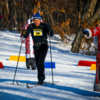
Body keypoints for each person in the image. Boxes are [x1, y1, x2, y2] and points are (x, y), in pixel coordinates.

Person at [22, 13, 54, 84]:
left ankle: (41, 78)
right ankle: (40, 78)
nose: (36, 22)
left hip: (43, 45)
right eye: (35, 20)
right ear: (33, 20)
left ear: (40, 20)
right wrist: (24, 30)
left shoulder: (44, 26)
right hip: (36, 47)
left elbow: (51, 34)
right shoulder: (31, 26)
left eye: (38, 20)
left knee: (40, 61)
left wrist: (50, 29)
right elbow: (25, 35)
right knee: (37, 63)